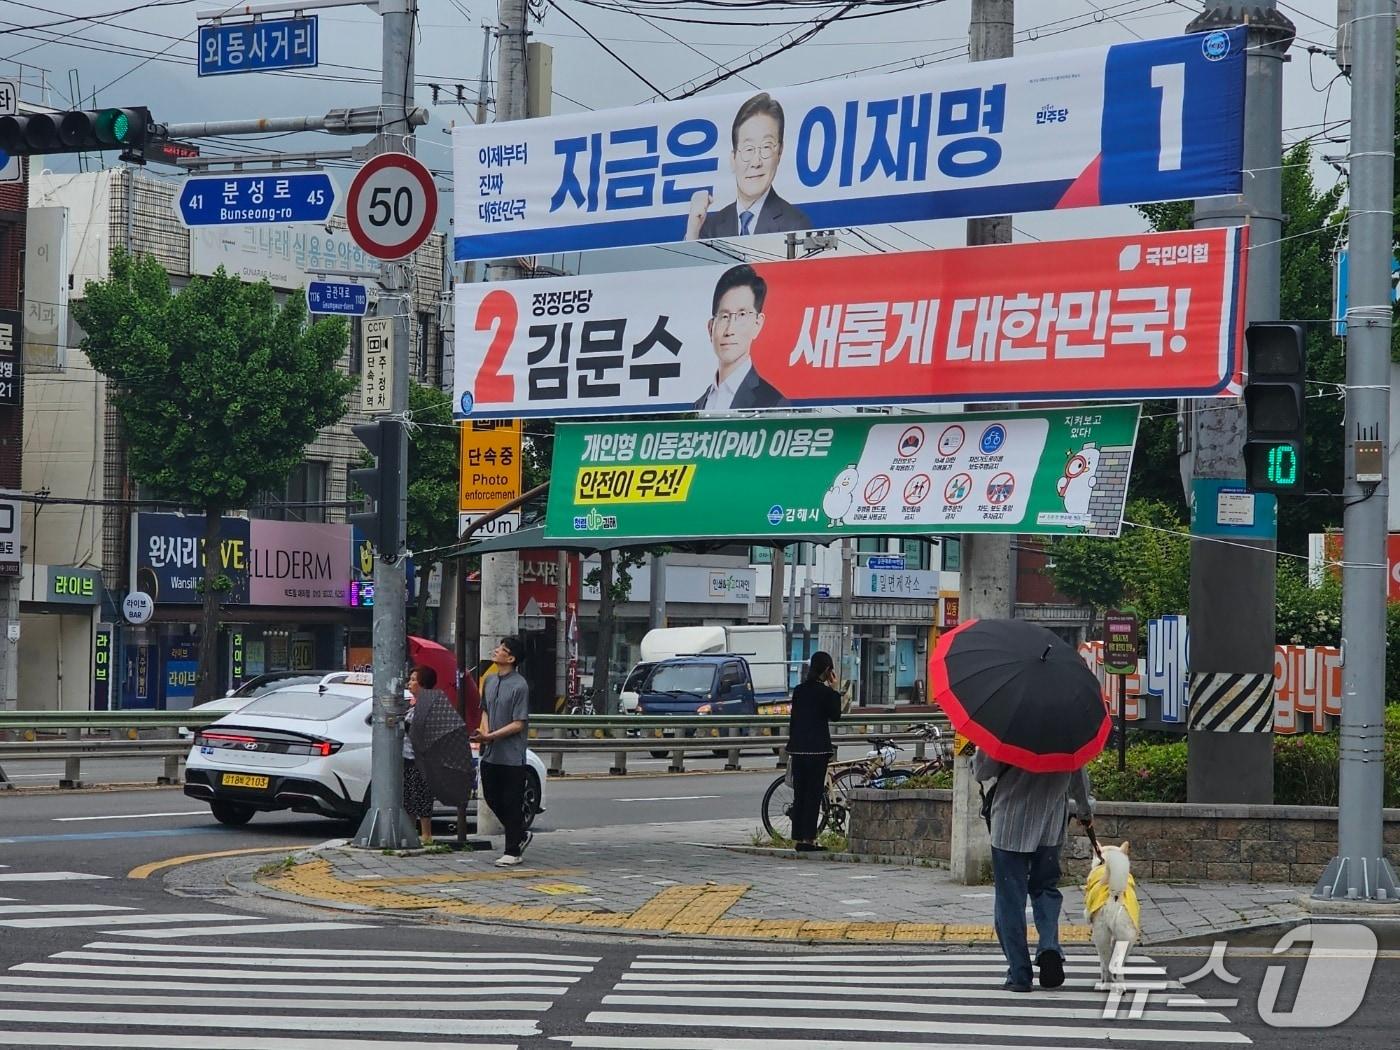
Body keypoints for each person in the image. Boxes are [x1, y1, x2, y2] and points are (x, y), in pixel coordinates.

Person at [972, 748, 1094, 993]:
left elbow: (983, 771)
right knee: (1045, 889)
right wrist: (1084, 810)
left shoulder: (1007, 724)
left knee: (1010, 899)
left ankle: (1019, 974)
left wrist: (978, 755)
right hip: (1050, 826)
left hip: (1009, 827)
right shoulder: (1067, 731)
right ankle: (1049, 947)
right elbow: (1077, 772)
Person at [685, 91, 812, 240]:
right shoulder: (711, 227)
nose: (756, 162)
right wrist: (693, 228)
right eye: (748, 149)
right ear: (733, 158)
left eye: (766, 147)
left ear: (780, 152)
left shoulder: (796, 224)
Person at [694, 265, 789, 411]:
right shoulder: (699, 404)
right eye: (724, 316)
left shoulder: (773, 402)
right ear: (710, 327)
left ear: (757, 324)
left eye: (742, 315)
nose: (730, 329)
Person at [472, 636, 532, 867]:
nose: (496, 651)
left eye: (502, 649)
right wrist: (484, 733)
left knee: (511, 801)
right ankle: (519, 834)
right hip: (490, 753)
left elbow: (519, 723)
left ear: (511, 658)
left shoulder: (520, 685)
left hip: (512, 756)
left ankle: (512, 850)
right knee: (491, 797)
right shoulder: (489, 681)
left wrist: (492, 736)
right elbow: (484, 711)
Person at [786, 650, 844, 852]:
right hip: (817, 750)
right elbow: (836, 715)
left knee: (800, 794)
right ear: (828, 671)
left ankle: (799, 837)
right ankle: (809, 839)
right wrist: (835, 689)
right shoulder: (826, 693)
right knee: (813, 795)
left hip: (798, 749)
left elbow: (794, 720)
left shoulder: (799, 690)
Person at [403, 666, 439, 845]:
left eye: (413, 679)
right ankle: (411, 833)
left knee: (423, 796)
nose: (410, 683)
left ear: (423, 683)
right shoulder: (412, 704)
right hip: (408, 757)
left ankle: (426, 835)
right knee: (408, 796)